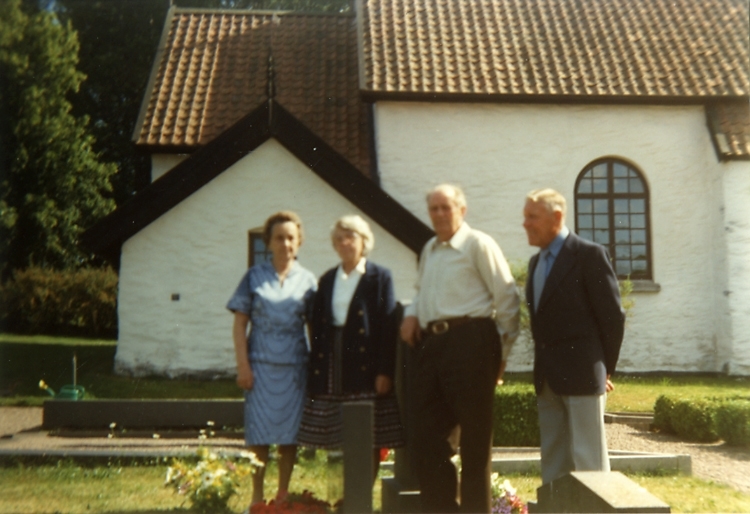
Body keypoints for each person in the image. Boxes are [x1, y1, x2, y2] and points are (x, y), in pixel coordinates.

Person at [400, 184, 520, 513]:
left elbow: (507, 298)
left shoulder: (478, 245)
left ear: (462, 210)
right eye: (434, 209)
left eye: (446, 208)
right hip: (431, 345)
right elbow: (420, 290)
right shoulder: (429, 250)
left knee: (475, 443)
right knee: (428, 439)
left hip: (472, 341)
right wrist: (411, 315)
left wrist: (502, 356)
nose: (439, 214)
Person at [522, 188, 625, 485]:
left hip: (582, 374)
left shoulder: (588, 255)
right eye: (525, 216)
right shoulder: (535, 264)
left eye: (532, 217)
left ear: (556, 217)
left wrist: (605, 368)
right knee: (554, 464)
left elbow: (612, 318)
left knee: (589, 463)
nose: (525, 223)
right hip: (546, 380)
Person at [298, 214, 404, 477]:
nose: (345, 243)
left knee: (368, 431)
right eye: (340, 238)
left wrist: (384, 371)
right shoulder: (327, 279)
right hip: (334, 364)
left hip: (366, 366)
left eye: (351, 237)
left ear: (364, 241)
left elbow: (388, 328)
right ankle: (344, 493)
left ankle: (361, 496)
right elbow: (318, 326)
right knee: (338, 431)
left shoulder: (380, 277)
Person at [227, 211, 317, 506]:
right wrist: (243, 365)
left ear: (299, 242)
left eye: (291, 238)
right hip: (260, 368)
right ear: (268, 242)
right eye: (279, 238)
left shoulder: (308, 280)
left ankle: (282, 497)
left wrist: (316, 368)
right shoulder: (253, 277)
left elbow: (314, 328)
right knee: (259, 436)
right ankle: (256, 498)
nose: (285, 243)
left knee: (289, 437)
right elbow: (240, 324)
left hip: (294, 369)